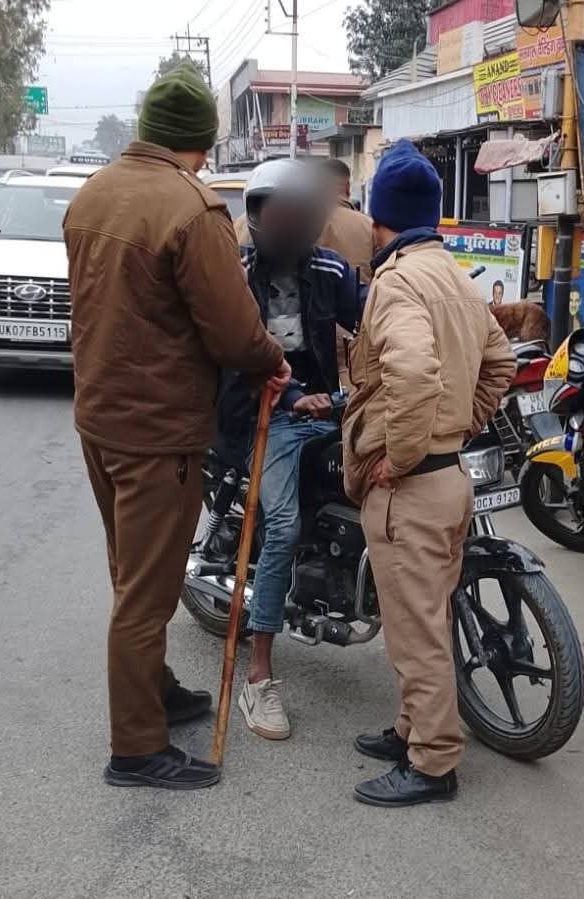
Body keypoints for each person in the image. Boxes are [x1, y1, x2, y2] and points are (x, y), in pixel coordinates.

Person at [63, 64, 289, 790]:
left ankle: (154, 690)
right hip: (157, 430)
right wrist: (269, 359)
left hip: (100, 418)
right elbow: (231, 329)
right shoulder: (192, 209)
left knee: (133, 573)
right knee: (146, 592)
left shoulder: (94, 192)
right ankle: (137, 748)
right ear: (201, 140)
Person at [342, 140, 516, 807]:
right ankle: (411, 728)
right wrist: (461, 427)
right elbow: (500, 363)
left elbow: (413, 373)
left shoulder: (397, 281)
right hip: (447, 479)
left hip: (411, 487)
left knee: (416, 632)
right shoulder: (454, 276)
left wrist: (404, 453)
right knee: (425, 618)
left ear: (379, 218)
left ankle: (433, 761)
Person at [217, 159, 361, 742]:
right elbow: (232, 347)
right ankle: (258, 675)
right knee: (282, 526)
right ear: (255, 214)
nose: (287, 224)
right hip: (259, 410)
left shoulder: (331, 269)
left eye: (297, 214)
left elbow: (372, 320)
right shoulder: (233, 273)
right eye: (276, 214)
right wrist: (292, 394)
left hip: (322, 405)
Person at [317, 158, 374, 390]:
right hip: (357, 332)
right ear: (348, 188)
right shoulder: (369, 227)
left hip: (308, 335)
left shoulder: (301, 223)